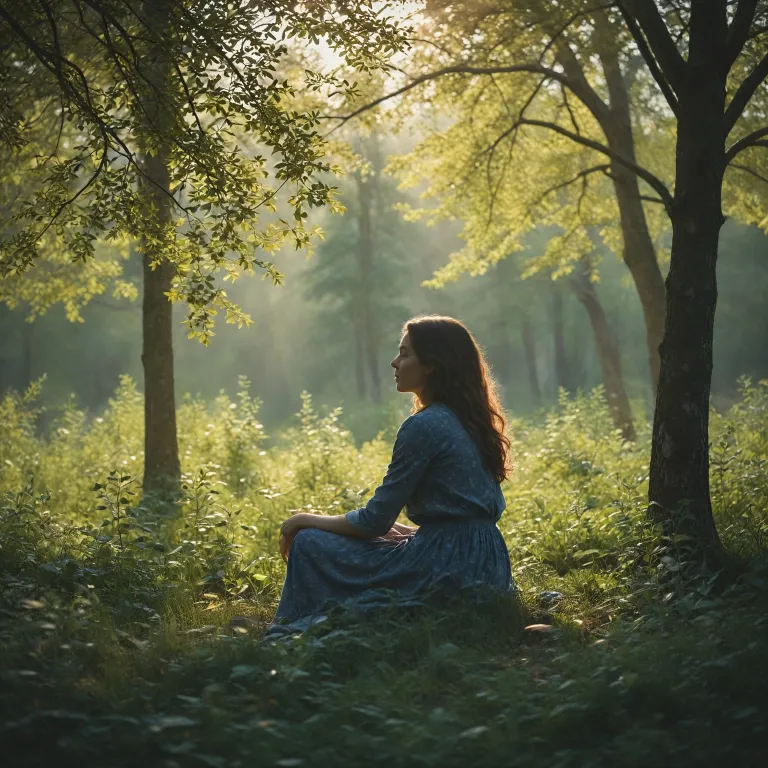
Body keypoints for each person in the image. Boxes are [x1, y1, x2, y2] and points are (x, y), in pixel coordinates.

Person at [264, 315, 515, 638]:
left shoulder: (425, 425)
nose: (395, 362)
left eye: (405, 353)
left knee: (311, 543)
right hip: (487, 561)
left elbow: (373, 522)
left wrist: (303, 519)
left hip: (447, 566)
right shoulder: (471, 419)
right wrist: (408, 532)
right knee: (383, 539)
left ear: (431, 366)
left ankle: (292, 624)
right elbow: (462, 514)